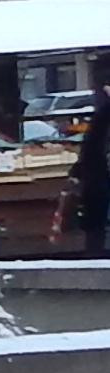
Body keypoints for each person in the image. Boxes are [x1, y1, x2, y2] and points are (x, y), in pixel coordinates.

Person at [70, 99, 110, 257]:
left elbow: (90, 147)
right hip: (98, 178)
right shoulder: (104, 114)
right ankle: (95, 255)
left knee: (96, 224)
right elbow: (91, 147)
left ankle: (95, 254)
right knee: (96, 222)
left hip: (97, 178)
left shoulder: (103, 114)